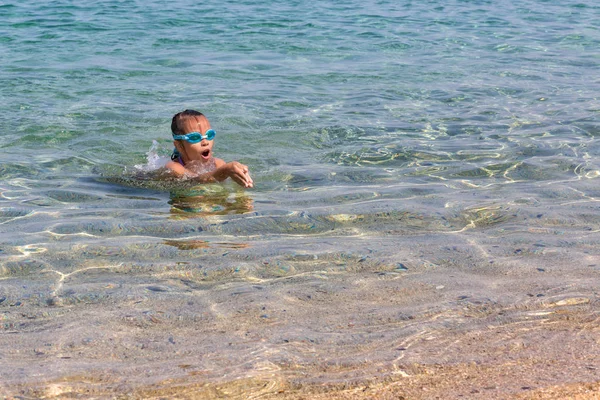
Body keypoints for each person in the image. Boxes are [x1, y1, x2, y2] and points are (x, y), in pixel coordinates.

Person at [165, 110, 253, 188]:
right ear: (179, 146)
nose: (205, 142)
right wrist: (226, 171)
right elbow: (194, 181)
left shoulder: (218, 164)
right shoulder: (173, 168)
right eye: (195, 137)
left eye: (209, 135)